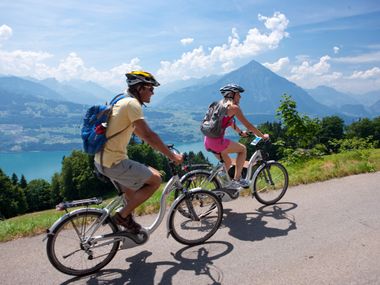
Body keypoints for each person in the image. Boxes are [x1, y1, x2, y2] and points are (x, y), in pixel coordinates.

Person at [94, 70, 183, 234]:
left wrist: (157, 147)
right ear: (140, 88)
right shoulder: (132, 104)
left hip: (101, 160)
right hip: (114, 162)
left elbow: (137, 132)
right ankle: (121, 217)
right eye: (150, 88)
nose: (153, 92)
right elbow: (148, 135)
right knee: (156, 180)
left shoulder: (120, 99)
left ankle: (127, 230)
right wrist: (172, 156)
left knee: (133, 193)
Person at [204, 83, 269, 188]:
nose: (240, 96)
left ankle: (221, 186)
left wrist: (240, 132)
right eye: (238, 94)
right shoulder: (234, 108)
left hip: (207, 141)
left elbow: (229, 122)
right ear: (231, 94)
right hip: (217, 142)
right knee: (242, 149)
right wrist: (262, 136)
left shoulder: (218, 105)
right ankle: (237, 180)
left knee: (228, 162)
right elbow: (249, 125)